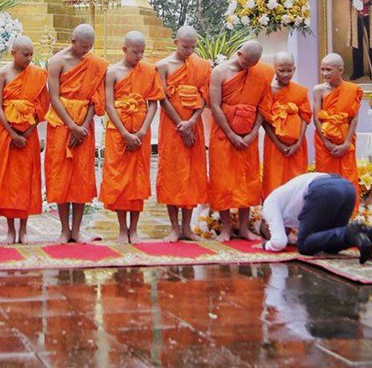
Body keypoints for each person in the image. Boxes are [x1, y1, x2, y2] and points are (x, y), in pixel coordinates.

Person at [45, 24, 108, 244]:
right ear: (73, 41)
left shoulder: (96, 64)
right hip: (61, 124)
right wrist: (72, 125)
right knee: (60, 177)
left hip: (84, 127)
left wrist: (83, 126)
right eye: (83, 46)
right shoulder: (56, 62)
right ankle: (64, 230)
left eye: (90, 47)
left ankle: (77, 230)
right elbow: (54, 97)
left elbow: (96, 98)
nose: (86, 51)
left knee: (81, 177)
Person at [101, 31, 164, 244]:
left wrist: (144, 129)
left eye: (142, 52)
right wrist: (124, 133)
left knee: (137, 180)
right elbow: (108, 105)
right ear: (124, 49)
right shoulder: (112, 72)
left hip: (140, 131)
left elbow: (153, 102)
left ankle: (134, 229)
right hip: (118, 133)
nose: (139, 56)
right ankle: (122, 229)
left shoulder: (148, 71)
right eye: (135, 52)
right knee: (119, 180)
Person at [260, 172, 372, 264]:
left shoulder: (269, 204)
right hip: (346, 188)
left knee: (304, 246)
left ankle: (350, 232)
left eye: (269, 232)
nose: (274, 230)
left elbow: (278, 242)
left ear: (266, 223)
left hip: (323, 190)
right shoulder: (287, 210)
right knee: (329, 244)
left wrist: (266, 244)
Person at [208, 40, 271, 241]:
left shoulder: (259, 73)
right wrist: (231, 134)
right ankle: (226, 229)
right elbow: (215, 106)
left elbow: (263, 105)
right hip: (223, 134)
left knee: (247, 181)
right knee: (223, 181)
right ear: (239, 54)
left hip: (248, 136)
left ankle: (244, 228)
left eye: (253, 64)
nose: (249, 68)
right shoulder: (219, 72)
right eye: (246, 63)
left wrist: (253, 133)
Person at [155, 25, 211, 242]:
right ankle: (174, 228)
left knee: (191, 175)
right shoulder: (163, 66)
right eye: (185, 46)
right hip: (172, 127)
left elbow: (204, 96)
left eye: (193, 47)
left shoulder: (202, 65)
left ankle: (187, 227)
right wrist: (181, 124)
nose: (189, 51)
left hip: (193, 126)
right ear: (175, 42)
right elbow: (162, 98)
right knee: (172, 174)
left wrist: (193, 122)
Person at [0, 36, 50, 245]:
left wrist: (27, 132)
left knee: (26, 180)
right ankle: (10, 229)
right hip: (7, 134)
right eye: (25, 54)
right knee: (8, 180)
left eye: (31, 54)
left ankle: (23, 229)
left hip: (28, 135)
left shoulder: (37, 75)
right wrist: (13, 134)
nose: (29, 58)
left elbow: (42, 107)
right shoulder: (2, 74)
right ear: (12, 53)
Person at [313, 53, 363, 209]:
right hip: (324, 142)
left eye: (329, 69)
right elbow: (316, 119)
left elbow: (353, 118)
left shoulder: (352, 89)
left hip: (345, 140)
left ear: (340, 70)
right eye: (322, 69)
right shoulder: (318, 90)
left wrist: (347, 143)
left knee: (347, 176)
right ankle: (326, 212)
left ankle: (348, 213)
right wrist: (326, 142)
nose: (324, 73)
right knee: (325, 178)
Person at [261, 52, 311, 199]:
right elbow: (265, 120)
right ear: (274, 69)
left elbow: (305, 117)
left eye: (289, 70)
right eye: (281, 70)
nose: (286, 74)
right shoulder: (268, 91)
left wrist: (299, 142)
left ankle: (295, 216)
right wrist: (278, 143)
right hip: (274, 145)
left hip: (297, 146)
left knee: (296, 180)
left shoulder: (300, 91)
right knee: (274, 179)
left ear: (294, 69)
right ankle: (271, 215)